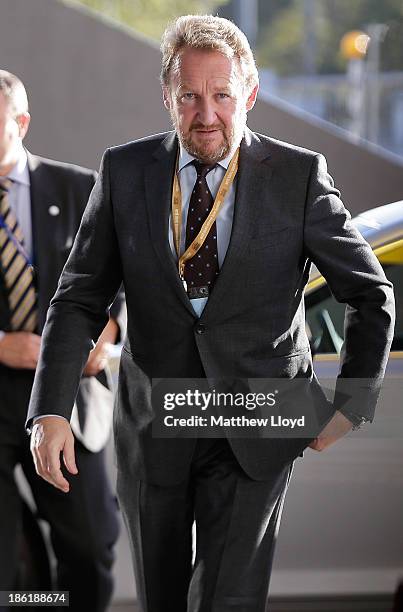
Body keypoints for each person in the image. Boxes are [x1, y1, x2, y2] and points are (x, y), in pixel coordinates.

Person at [26, 15, 395, 612]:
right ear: (166, 96)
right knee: (164, 598)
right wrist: (50, 408)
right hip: (156, 417)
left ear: (248, 94)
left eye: (222, 95)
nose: (207, 114)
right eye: (190, 97)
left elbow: (371, 293)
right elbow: (79, 299)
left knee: (227, 599)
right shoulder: (125, 172)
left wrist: (353, 402)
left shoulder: (298, 177)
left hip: (260, 416)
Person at [0, 70, 124, 612]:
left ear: (21, 123)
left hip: (66, 397)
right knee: (5, 560)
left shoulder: (80, 188)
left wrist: (109, 333)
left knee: (90, 543)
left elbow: (130, 277)